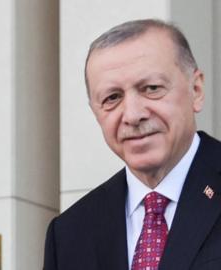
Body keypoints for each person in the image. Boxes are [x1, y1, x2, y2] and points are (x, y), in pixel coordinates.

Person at [44, 19, 221, 270]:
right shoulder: (69, 234)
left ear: (196, 89)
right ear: (95, 112)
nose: (133, 115)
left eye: (151, 88)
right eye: (112, 98)